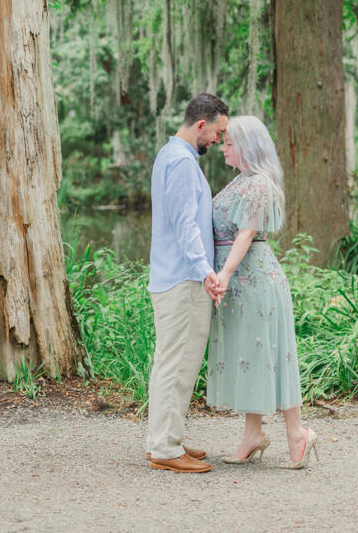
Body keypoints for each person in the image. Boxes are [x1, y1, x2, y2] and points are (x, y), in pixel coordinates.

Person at [206, 115, 319, 469]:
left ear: (247, 146)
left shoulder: (260, 184)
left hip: (254, 277)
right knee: (249, 354)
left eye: (228, 143)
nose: (222, 148)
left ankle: (297, 433)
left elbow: (246, 233)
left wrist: (224, 271)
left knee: (271, 352)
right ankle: (253, 434)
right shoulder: (239, 181)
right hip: (237, 280)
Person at [145, 93, 229, 473]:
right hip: (183, 279)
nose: (219, 139)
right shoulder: (180, 162)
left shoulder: (173, 156)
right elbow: (185, 225)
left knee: (175, 362)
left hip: (176, 277)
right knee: (177, 364)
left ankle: (168, 438)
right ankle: (165, 449)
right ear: (201, 125)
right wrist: (205, 271)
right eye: (218, 131)